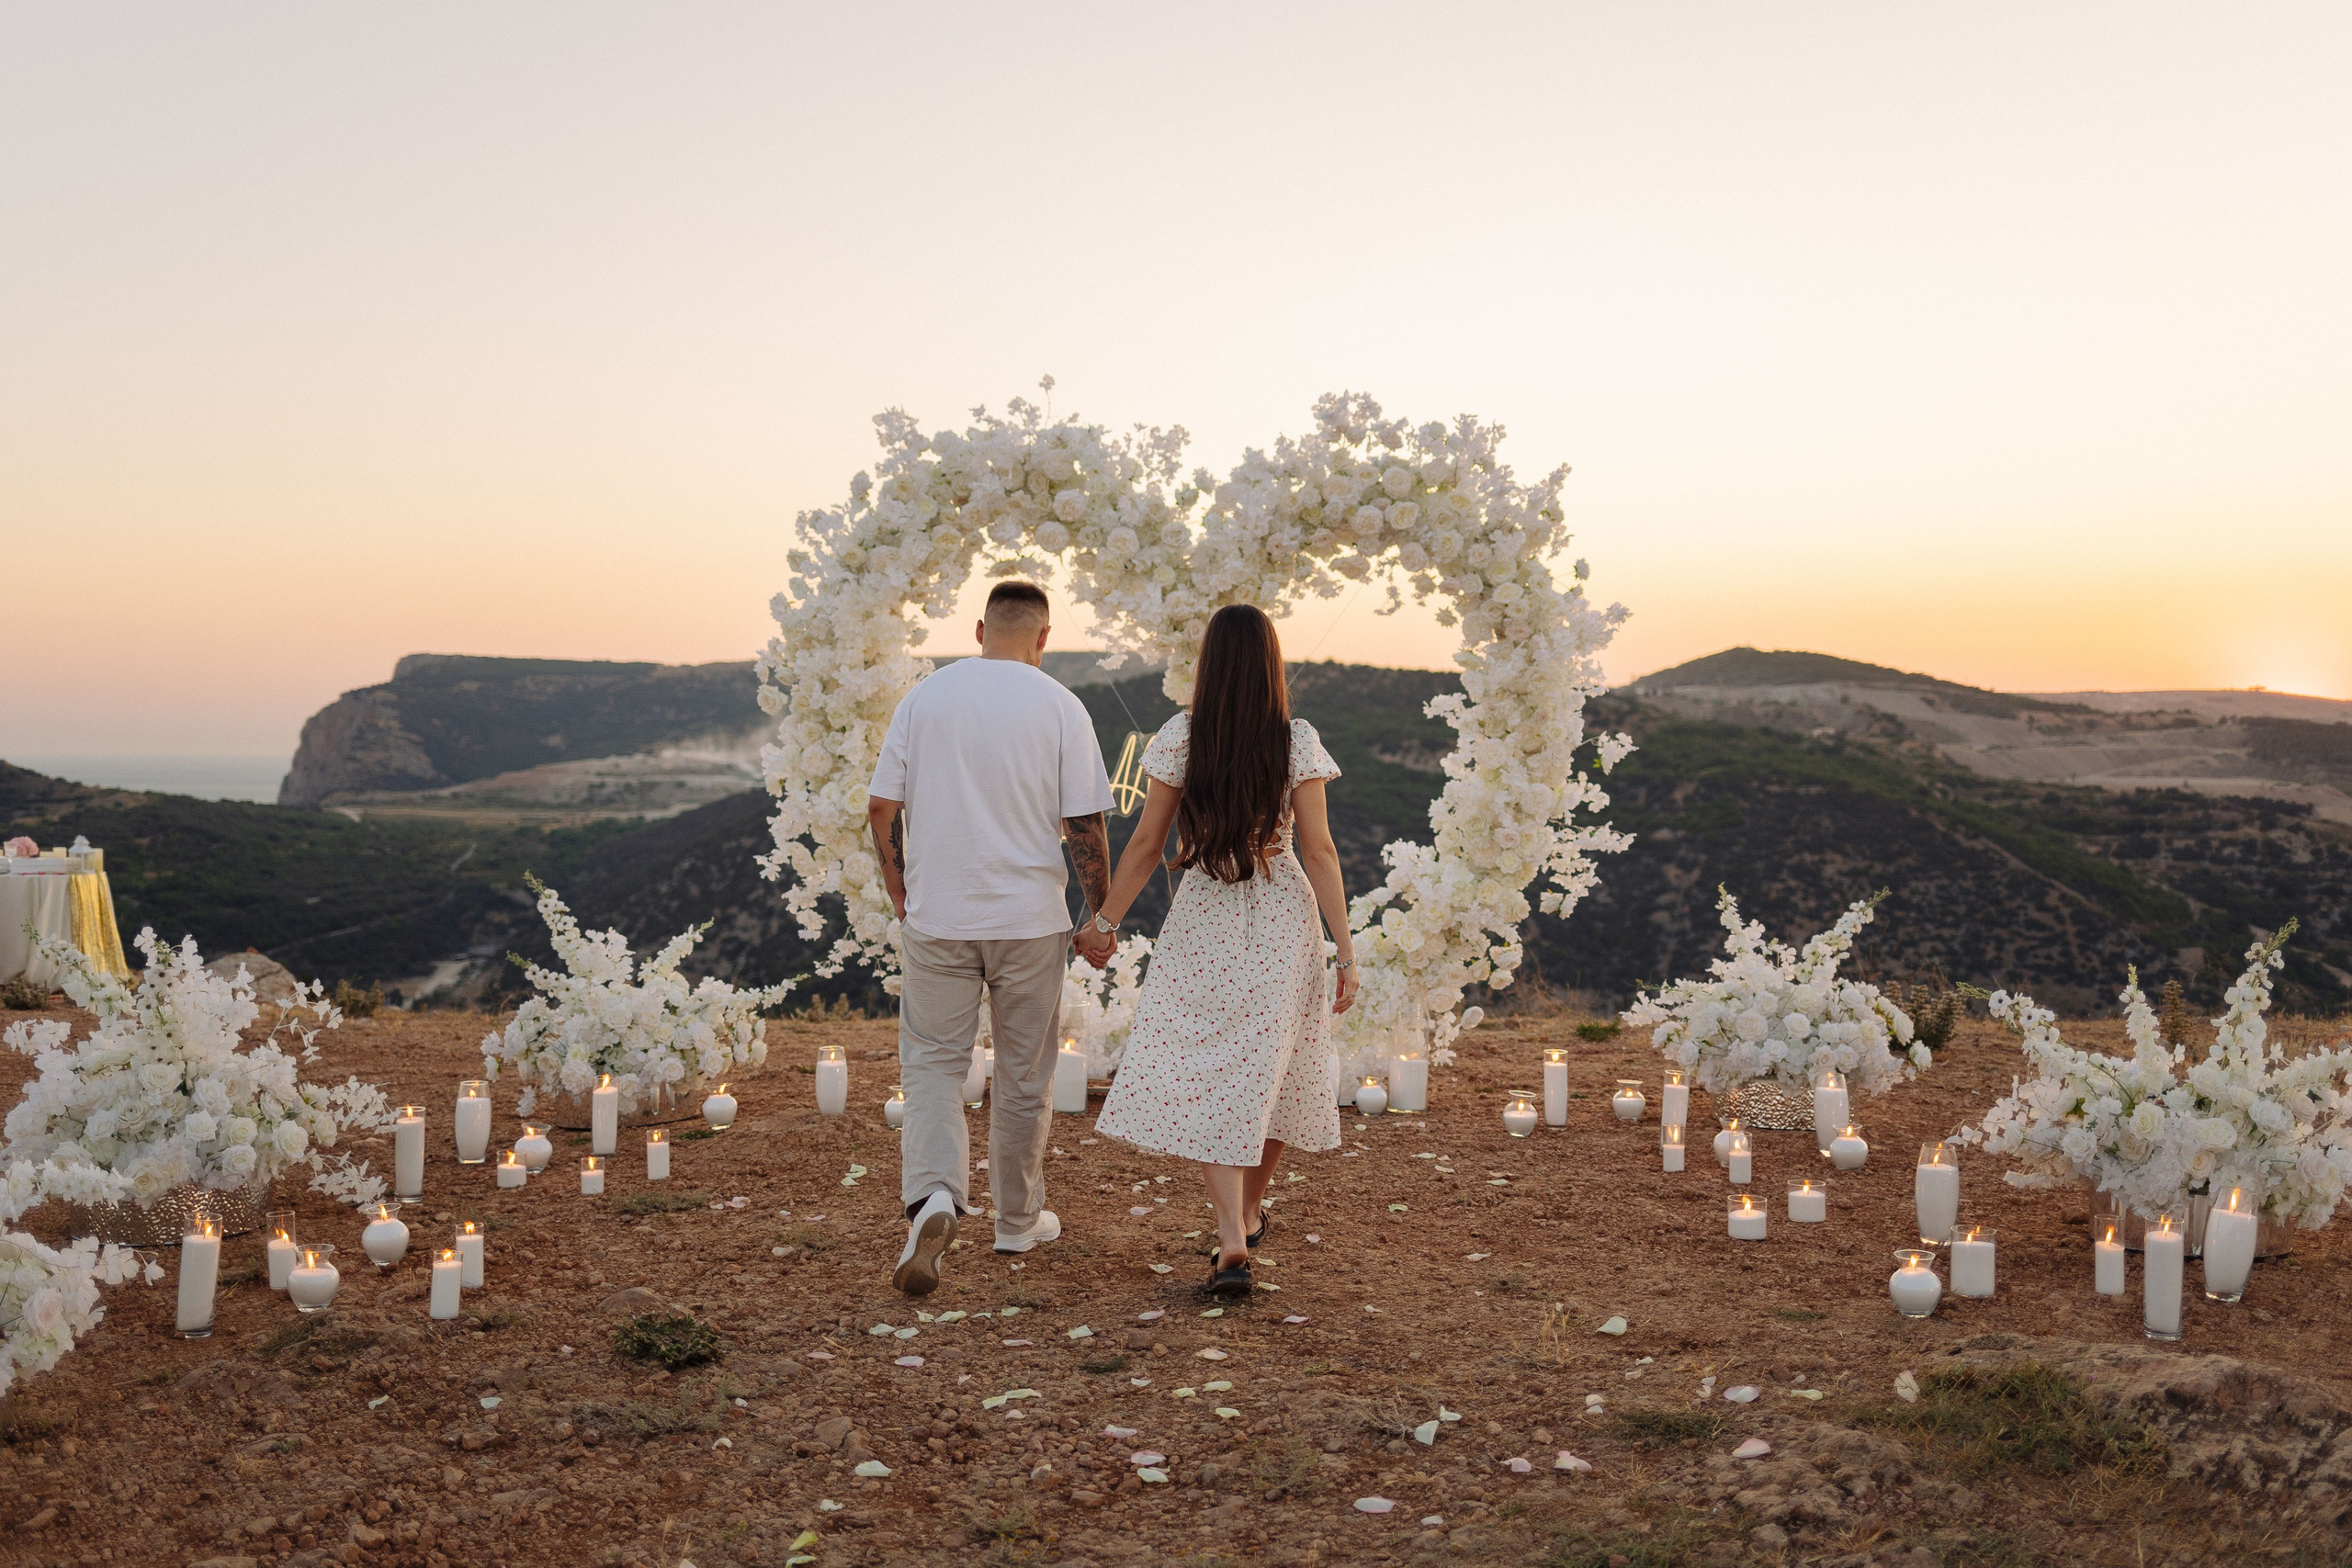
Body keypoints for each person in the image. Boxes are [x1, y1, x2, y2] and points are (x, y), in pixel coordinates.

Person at [1083, 604, 1358, 1298]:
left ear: (1208, 664)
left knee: (1210, 1072)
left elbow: (1148, 842)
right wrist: (1346, 950)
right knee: (1278, 1070)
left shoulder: (1182, 735)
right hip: (1281, 913)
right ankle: (1244, 1213)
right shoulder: (1297, 740)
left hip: (1206, 908)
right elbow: (1318, 848)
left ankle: (1236, 1228)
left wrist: (1106, 921)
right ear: (1271, 664)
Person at [866, 581, 1115, 1296]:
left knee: (934, 1067)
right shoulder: (1062, 706)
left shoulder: (925, 698)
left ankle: (936, 1198)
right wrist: (1098, 916)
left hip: (940, 917)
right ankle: (1015, 1220)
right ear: (1043, 637)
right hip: (1030, 921)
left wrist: (900, 889)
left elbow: (884, 804)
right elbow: (1085, 828)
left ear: (979, 629)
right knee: (1022, 1075)